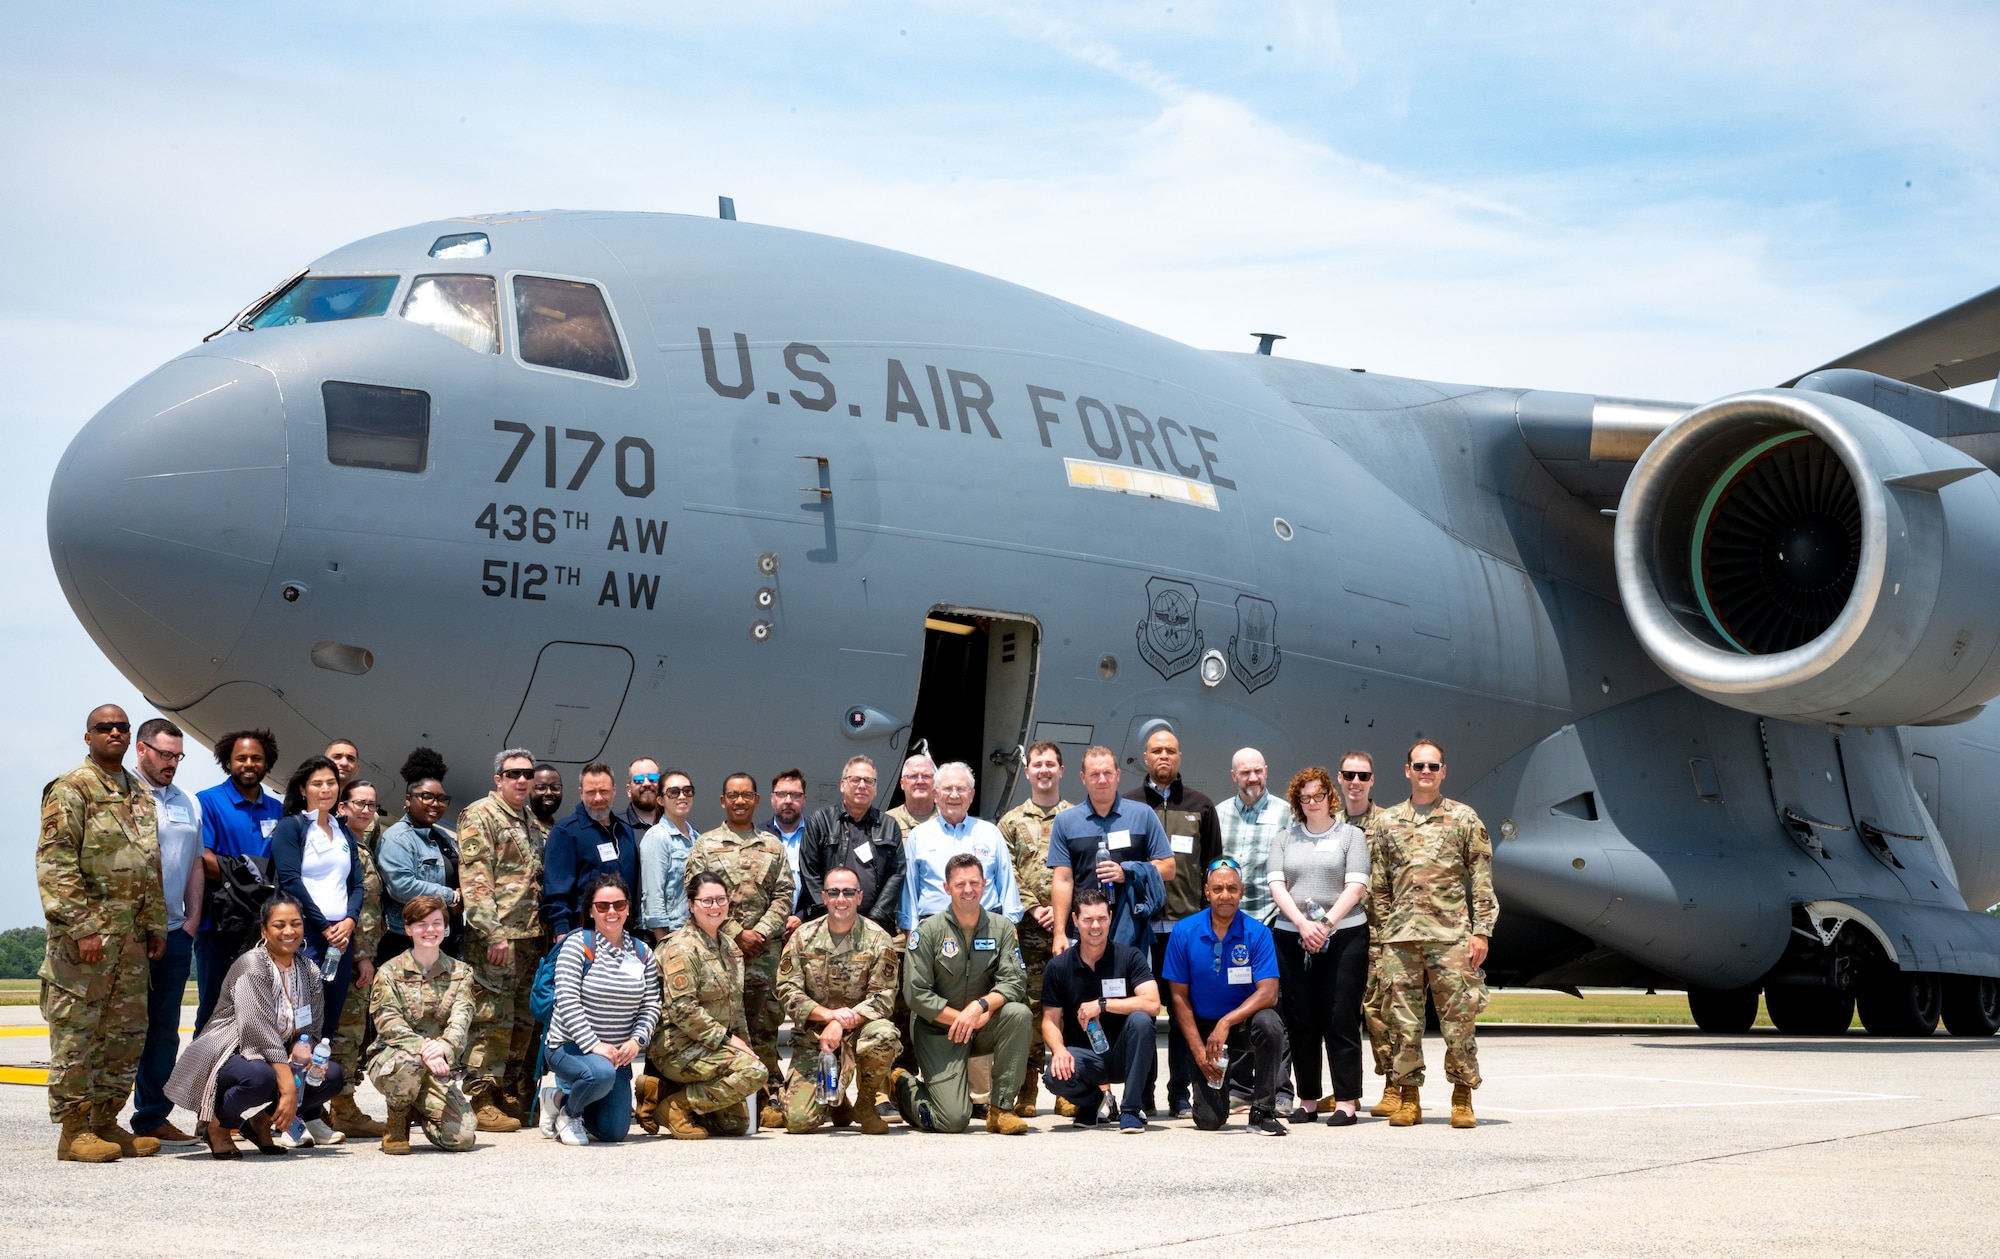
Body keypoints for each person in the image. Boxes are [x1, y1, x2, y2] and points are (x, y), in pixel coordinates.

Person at [36, 704, 167, 1164]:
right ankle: (73, 1131)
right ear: (87, 737)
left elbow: (151, 867)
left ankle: (105, 1121)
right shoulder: (72, 789)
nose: (114, 732)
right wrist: (82, 927)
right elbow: (55, 863)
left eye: (122, 727)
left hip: (129, 942)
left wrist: (154, 924)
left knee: (124, 1034)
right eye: (103, 727)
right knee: (77, 1035)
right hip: (84, 944)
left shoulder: (139, 794)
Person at [1372, 740, 1498, 1129]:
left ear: (1443, 771)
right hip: (1400, 939)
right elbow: (1379, 886)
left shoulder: (1464, 819)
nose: (1426, 771)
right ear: (1407, 770)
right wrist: (1380, 938)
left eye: (1433, 766)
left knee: (1458, 1022)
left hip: (1451, 937)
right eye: (1419, 765)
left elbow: (1481, 879)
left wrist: (1482, 933)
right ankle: (1409, 1099)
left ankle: (1462, 1097)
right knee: (1403, 1023)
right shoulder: (1387, 822)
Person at [167, 896, 343, 1160]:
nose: (288, 931)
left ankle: (260, 1124)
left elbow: (312, 1026)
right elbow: (257, 1031)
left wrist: (304, 1051)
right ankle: (217, 1126)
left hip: (275, 1052)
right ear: (264, 930)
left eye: (295, 924)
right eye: (279, 925)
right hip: (230, 1050)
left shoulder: (310, 970)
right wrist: (290, 1088)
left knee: (329, 1075)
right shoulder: (253, 965)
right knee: (261, 1077)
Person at [892, 853, 1031, 1135]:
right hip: (938, 1030)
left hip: (981, 1024)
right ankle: (902, 1085)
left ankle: (1000, 1109)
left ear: (985, 884)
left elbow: (1014, 980)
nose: (968, 890)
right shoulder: (927, 932)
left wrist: (978, 1007)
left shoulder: (1002, 927)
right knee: (953, 1121)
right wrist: (960, 1018)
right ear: (947, 888)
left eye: (974, 883)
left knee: (1019, 1014)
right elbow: (917, 994)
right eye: (960, 884)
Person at [268, 754, 366, 1146]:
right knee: (297, 1029)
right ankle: (285, 1116)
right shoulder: (291, 828)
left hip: (340, 941)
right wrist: (324, 926)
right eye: (317, 783)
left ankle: (311, 1114)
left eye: (331, 783)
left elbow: (356, 884)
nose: (326, 789)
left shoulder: (343, 832)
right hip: (307, 938)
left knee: (324, 1031)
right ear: (303, 788)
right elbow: (290, 879)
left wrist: (350, 921)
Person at [687, 772, 793, 1127]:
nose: (739, 801)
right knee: (725, 1021)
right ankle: (727, 1093)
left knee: (764, 1023)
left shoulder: (773, 846)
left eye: (746, 795)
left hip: (764, 953)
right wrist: (735, 933)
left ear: (756, 800)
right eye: (732, 795)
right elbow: (695, 893)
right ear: (722, 801)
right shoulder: (705, 845)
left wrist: (760, 933)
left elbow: (783, 896)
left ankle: (768, 1094)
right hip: (718, 950)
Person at [1267, 766, 1371, 1126]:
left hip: (1344, 935)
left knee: (1340, 1016)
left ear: (1330, 796)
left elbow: (1356, 885)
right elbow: (1277, 884)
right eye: (1305, 797)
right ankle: (1307, 1099)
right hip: (1293, 934)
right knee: (1300, 1019)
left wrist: (1325, 925)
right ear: (1297, 802)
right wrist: (1302, 923)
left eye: (1319, 795)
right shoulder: (1284, 839)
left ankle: (1345, 1101)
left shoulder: (1350, 836)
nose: (1313, 802)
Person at [1126, 729, 1220, 1119]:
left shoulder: (1201, 805)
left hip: (1186, 929)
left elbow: (1213, 867)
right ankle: (1143, 1095)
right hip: (1140, 928)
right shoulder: (1128, 805)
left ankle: (1180, 1095)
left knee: (1185, 1015)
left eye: (1170, 750)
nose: (1163, 756)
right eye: (1156, 750)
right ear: (1145, 757)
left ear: (1179, 756)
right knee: (1144, 1013)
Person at [456, 746, 549, 1132]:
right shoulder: (481, 815)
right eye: (513, 774)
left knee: (523, 1020)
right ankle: (480, 1095)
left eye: (528, 773)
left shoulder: (530, 819)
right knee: (491, 1019)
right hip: (497, 938)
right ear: (499, 779)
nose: (522, 780)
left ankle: (506, 1091)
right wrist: (492, 933)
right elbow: (476, 882)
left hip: (530, 937)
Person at [1161, 860, 1287, 1136]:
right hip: (1204, 1028)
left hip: (1240, 1024)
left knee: (1270, 1023)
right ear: (1207, 892)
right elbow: (1178, 998)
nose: (1225, 895)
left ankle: (1262, 1111)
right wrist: (1198, 1052)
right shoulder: (1184, 932)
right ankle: (1218, 1092)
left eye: (1232, 888)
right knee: (1209, 1120)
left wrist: (1227, 1022)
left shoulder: (1259, 933)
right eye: (1218, 889)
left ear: (1242, 891)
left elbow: (1268, 992)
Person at [773, 865, 901, 1134]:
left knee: (884, 1034)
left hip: (859, 1033)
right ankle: (836, 1100)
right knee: (798, 1123)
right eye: (834, 892)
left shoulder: (879, 939)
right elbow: (787, 990)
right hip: (814, 1039)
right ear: (824, 897)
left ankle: (866, 1105)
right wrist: (828, 1016)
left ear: (859, 896)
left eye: (848, 892)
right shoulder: (803, 937)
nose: (840, 899)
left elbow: (883, 997)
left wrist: (842, 1023)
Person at [642, 870, 768, 1139]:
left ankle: (663, 1092)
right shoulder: (681, 947)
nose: (715, 907)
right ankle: (675, 1107)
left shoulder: (730, 948)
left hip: (714, 1047)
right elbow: (682, 1009)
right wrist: (731, 1043)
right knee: (753, 1072)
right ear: (691, 904)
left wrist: (748, 1049)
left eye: (721, 900)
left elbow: (737, 1011)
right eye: (707, 901)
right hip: (677, 1047)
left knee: (735, 1126)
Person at [127, 718, 203, 1147]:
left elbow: (194, 862)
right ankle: (96, 1117)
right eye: (164, 755)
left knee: (163, 1028)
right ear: (142, 750)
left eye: (178, 756)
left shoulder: (187, 802)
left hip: (175, 931)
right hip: (128, 933)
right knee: (119, 1027)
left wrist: (191, 920)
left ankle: (152, 1116)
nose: (172, 763)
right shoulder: (121, 794)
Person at [540, 874, 660, 1146]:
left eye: (618, 905)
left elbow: (652, 1002)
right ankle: (569, 1115)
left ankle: (558, 1100)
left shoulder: (642, 952)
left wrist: (636, 1040)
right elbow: (567, 1000)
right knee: (600, 1074)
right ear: (591, 910)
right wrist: (593, 1044)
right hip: (570, 1046)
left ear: (628, 908)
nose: (611, 912)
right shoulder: (577, 944)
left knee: (613, 1131)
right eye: (603, 906)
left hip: (614, 1054)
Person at [1215, 746, 1296, 1115]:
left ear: (1266, 771)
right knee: (1235, 1005)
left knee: (1274, 1010)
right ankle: (1239, 1087)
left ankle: (1279, 1090)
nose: (1252, 778)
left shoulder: (1285, 814)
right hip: (1231, 928)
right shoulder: (1219, 815)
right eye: (1244, 773)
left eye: (1257, 772)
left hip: (1271, 924)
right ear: (1234, 775)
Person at [1040, 888, 1160, 1133]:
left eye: (1102, 919)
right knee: (1054, 1075)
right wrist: (1059, 1050)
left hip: (1123, 1054)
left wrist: (1103, 1004)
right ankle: (1096, 1102)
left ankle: (1130, 1109)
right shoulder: (1059, 967)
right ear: (1075, 920)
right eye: (1088, 919)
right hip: (1086, 1057)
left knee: (1141, 1020)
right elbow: (1049, 1021)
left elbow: (1153, 1003)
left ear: (1111, 917)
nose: (1095, 926)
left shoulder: (1129, 956)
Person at [365, 893, 477, 1154]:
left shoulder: (461, 972)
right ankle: (397, 1118)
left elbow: (461, 1021)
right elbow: (388, 1022)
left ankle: (417, 1104)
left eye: (437, 923)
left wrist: (444, 1049)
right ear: (408, 928)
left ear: (446, 927)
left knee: (462, 1138)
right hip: (394, 1061)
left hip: (438, 1065)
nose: (430, 930)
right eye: (421, 924)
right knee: (410, 1061)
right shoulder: (389, 971)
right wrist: (424, 1048)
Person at [996, 741, 1073, 1117]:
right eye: (1037, 764)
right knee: (1026, 1007)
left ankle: (1066, 1085)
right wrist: (1035, 907)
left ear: (1061, 770)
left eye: (1050, 764)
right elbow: (1005, 872)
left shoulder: (1077, 818)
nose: (1043, 770)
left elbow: (1084, 870)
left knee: (1068, 1007)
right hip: (1026, 932)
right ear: (1027, 771)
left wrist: (1061, 912)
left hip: (1069, 930)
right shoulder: (1009, 822)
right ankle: (1026, 1087)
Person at [192, 728, 282, 1030]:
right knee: (215, 1008)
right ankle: (203, 1075)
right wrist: (255, 881)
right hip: (220, 923)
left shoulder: (278, 810)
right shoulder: (207, 802)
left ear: (266, 763)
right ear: (227, 763)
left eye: (256, 758)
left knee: (260, 1009)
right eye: (240, 758)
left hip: (265, 925)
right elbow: (204, 859)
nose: (248, 764)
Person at [1047, 746, 1174, 955]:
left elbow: (1168, 867)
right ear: (1083, 778)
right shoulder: (1065, 821)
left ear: (1118, 775)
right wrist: (1059, 933)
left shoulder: (1143, 815)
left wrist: (1128, 872)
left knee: (1131, 988)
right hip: (1082, 933)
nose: (1102, 780)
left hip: (1130, 931)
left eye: (1107, 773)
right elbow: (1063, 880)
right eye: (1094, 774)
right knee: (1082, 987)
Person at [326, 771, 389, 1139]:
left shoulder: (360, 843)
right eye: (358, 803)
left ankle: (336, 1104)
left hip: (358, 951)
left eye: (371, 804)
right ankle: (343, 1107)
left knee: (352, 1032)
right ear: (342, 807)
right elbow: (356, 906)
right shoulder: (342, 844)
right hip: (349, 954)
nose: (366, 809)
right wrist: (363, 955)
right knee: (346, 1033)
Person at [1334, 751, 1394, 1116]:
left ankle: (1393, 1086)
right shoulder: (1330, 822)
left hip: (1379, 931)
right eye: (1349, 775)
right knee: (1340, 1013)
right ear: (1339, 779)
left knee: (1380, 1012)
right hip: (1340, 932)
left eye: (1363, 775)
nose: (1355, 781)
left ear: (1372, 780)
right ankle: (1348, 1092)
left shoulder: (1389, 823)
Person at [899, 762, 1022, 930]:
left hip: (987, 928)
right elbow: (909, 891)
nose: (954, 795)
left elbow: (1007, 885)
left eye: (961, 789)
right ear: (935, 794)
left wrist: (1009, 928)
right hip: (934, 929)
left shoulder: (990, 833)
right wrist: (911, 932)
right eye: (948, 789)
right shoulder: (919, 836)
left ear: (971, 795)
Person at [797, 756, 904, 933]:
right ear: (842, 785)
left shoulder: (889, 825)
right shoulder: (820, 820)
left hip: (873, 927)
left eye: (868, 781)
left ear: (875, 789)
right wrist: (828, 913)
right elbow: (809, 871)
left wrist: (876, 917)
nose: (862, 785)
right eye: (855, 779)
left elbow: (897, 873)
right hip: (827, 923)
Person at [377, 751, 461, 962]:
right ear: (408, 799)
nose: (435, 803)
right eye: (427, 797)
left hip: (445, 936)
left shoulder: (442, 837)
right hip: (407, 941)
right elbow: (402, 886)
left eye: (442, 799)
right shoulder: (397, 838)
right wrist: (451, 897)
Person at [543, 760, 639, 941]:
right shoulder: (566, 832)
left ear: (614, 790)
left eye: (603, 791)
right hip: (582, 934)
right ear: (581, 793)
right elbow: (556, 888)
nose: (598, 798)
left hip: (622, 934)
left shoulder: (625, 832)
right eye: (590, 792)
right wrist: (561, 932)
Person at [638, 768, 699, 942]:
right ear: (661, 800)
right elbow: (653, 894)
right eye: (673, 792)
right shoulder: (657, 837)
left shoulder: (697, 837)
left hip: (695, 934)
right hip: (671, 936)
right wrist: (663, 944)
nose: (682, 796)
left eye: (687, 791)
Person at [759, 768, 809, 937]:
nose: (788, 801)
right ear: (772, 798)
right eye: (781, 794)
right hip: (765, 930)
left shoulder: (818, 834)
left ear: (804, 799)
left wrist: (802, 916)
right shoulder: (757, 836)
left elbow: (824, 879)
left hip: (807, 928)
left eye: (795, 795)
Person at [885, 752, 937, 838]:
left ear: (935, 782)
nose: (920, 781)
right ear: (902, 784)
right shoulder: (886, 822)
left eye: (926, 776)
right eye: (913, 776)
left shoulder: (949, 819)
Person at [616, 757, 666, 833]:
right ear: (629, 790)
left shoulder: (680, 825)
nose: (646, 783)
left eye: (653, 778)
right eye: (638, 779)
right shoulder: (615, 827)